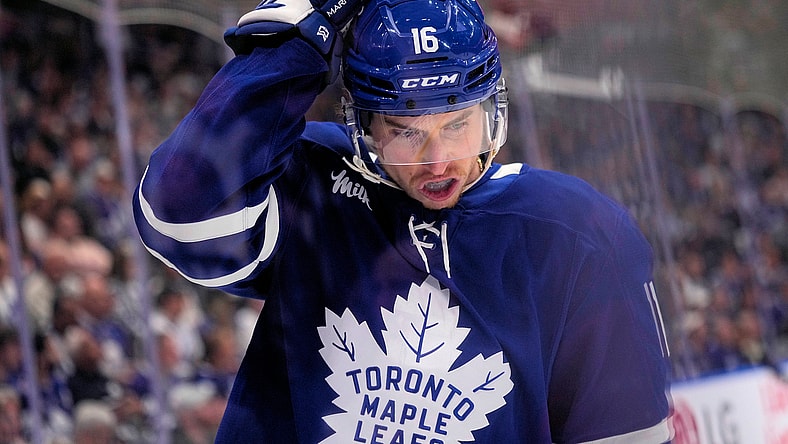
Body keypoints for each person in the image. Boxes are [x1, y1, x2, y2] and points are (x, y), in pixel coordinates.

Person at [132, 0, 672, 441]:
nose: (439, 161)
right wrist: (294, 43)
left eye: (458, 124)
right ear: (361, 123)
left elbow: (627, 434)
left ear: (492, 108)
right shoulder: (314, 182)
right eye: (406, 130)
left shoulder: (578, 233)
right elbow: (179, 215)